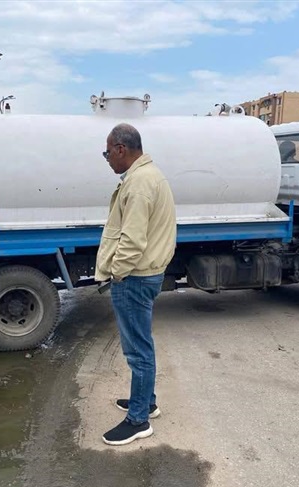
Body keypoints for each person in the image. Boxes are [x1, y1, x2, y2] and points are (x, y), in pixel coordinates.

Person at [96, 123, 177, 446]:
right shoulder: (149, 176)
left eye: (107, 153)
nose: (107, 160)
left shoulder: (140, 183)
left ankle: (138, 419)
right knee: (142, 343)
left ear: (121, 149)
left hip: (135, 277)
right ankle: (147, 401)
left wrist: (117, 272)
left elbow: (132, 240)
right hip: (145, 273)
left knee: (138, 350)